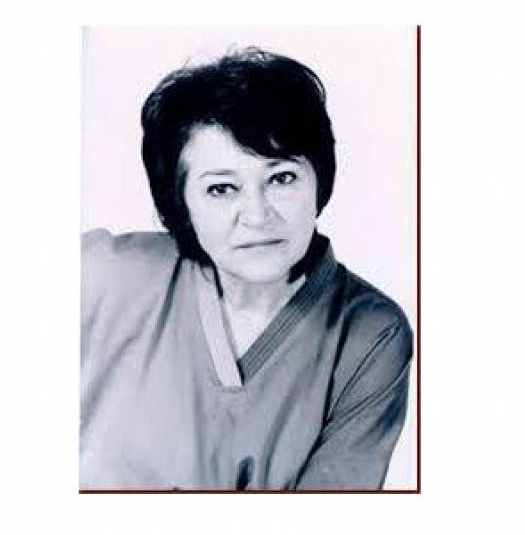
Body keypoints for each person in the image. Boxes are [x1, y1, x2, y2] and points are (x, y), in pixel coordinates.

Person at [80, 47, 413, 490]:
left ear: (319, 179)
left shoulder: (370, 335)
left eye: (281, 178)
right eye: (221, 188)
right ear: (180, 201)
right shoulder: (101, 275)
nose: (257, 215)